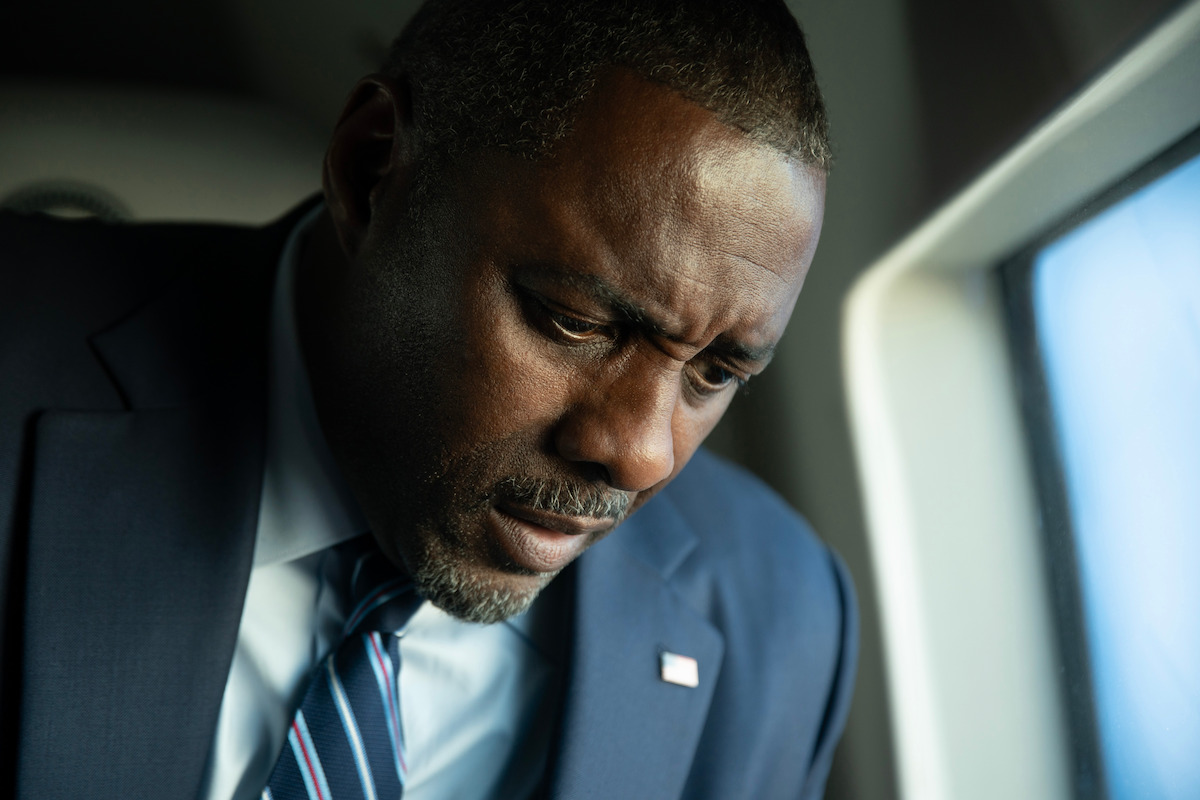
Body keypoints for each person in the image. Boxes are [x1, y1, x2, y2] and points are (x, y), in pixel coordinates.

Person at [0, 1, 857, 798]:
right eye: (575, 321)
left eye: (716, 372)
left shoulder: (781, 622)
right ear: (372, 169)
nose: (642, 453)